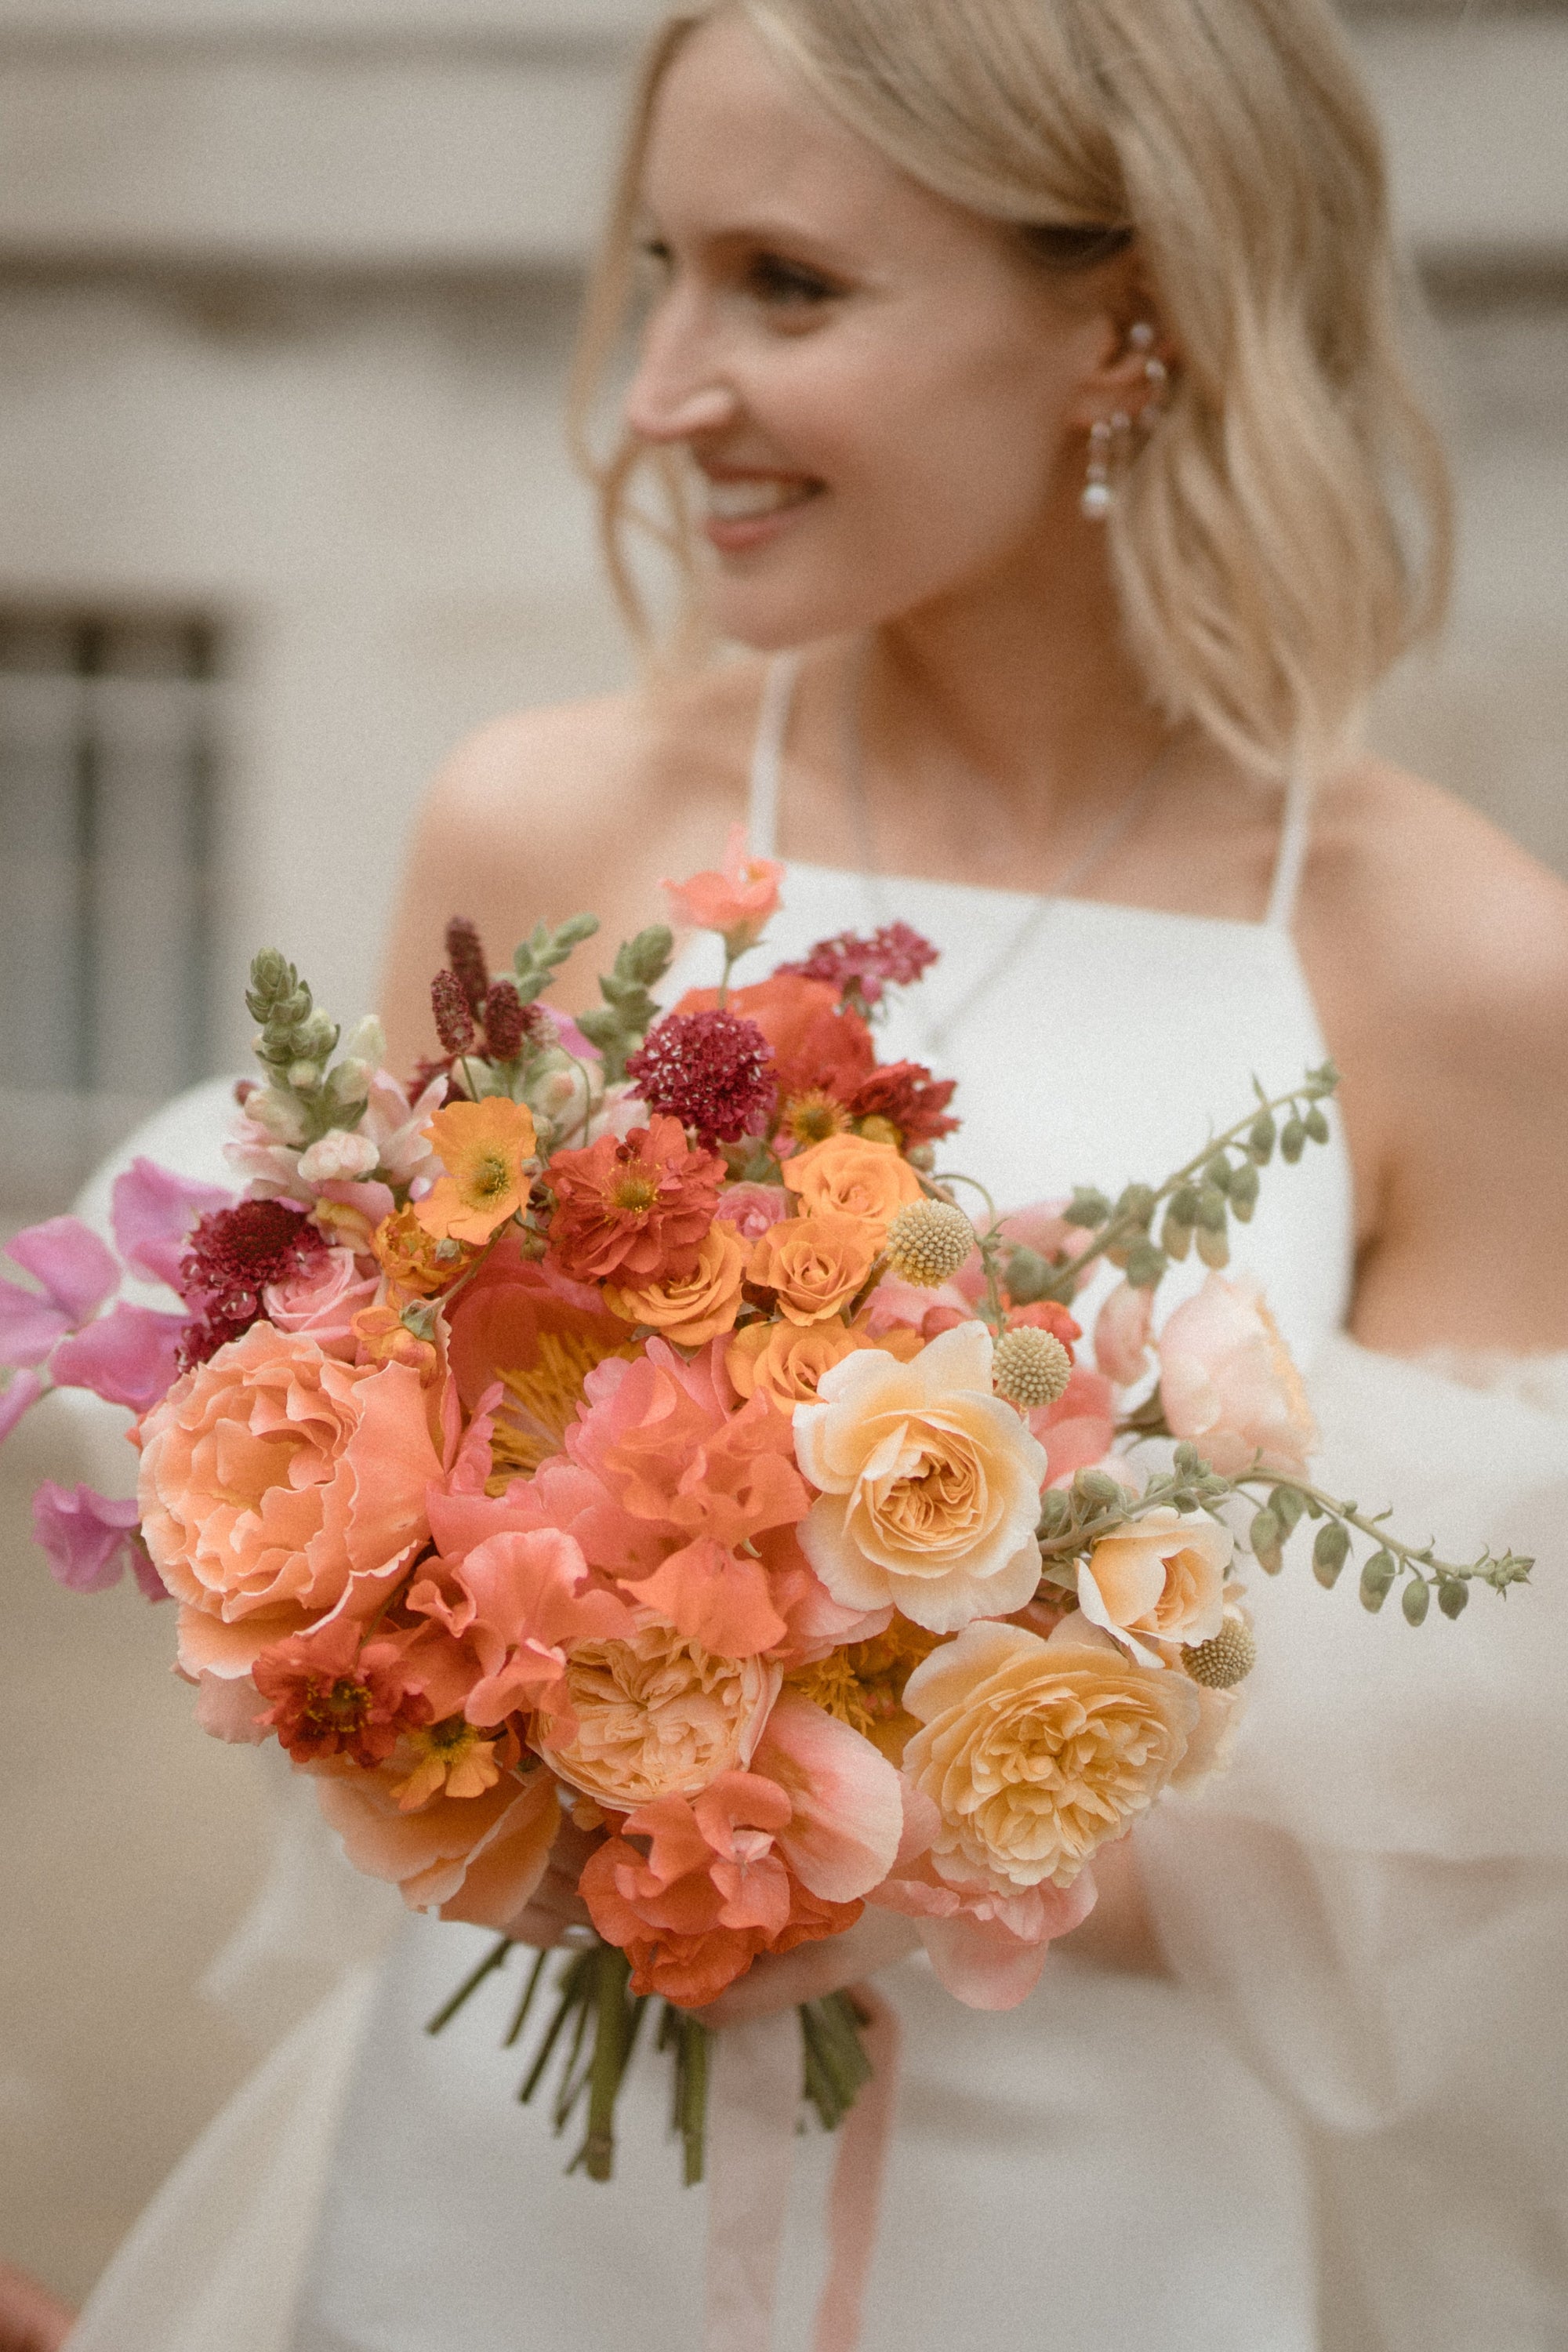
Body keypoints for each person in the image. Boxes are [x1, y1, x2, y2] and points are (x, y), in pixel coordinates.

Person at [60, 4, 1568, 2348]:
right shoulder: (547, 828)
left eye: (786, 284)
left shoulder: (1456, 962)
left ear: (1126, 315)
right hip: (499, 2223)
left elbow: (1465, 1800)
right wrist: (474, 1676)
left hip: (1088, 2236)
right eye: (660, 267)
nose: (663, 389)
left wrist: (821, 1760)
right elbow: (343, 1494)